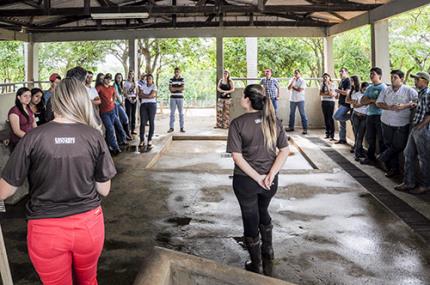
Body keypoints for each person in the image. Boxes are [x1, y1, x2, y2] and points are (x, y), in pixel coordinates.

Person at [0, 77, 116, 285]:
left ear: (55, 100)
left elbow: (4, 191)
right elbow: (104, 189)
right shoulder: (94, 136)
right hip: (88, 227)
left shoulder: (33, 137)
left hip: (46, 231)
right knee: (89, 281)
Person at [227, 84, 289, 275]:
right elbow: (285, 151)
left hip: (246, 181)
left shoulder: (237, 123)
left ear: (247, 100)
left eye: (242, 96)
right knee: (263, 209)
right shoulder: (274, 121)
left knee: (250, 217)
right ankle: (268, 250)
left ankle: (256, 263)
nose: (240, 99)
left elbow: (237, 157)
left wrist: (258, 177)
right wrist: (270, 176)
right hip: (270, 182)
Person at [376, 70, 418, 177]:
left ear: (402, 79)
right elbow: (378, 103)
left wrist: (404, 106)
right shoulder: (386, 89)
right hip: (386, 122)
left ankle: (382, 157)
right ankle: (394, 169)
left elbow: (416, 102)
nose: (392, 79)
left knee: (399, 146)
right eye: (391, 77)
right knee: (389, 144)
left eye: (395, 77)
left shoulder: (409, 90)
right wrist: (388, 107)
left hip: (401, 123)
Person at [394, 72, 430, 194]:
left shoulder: (427, 94)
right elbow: (422, 108)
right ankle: (409, 182)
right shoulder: (421, 94)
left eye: (417, 79)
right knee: (408, 154)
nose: (415, 82)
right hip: (416, 128)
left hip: (422, 129)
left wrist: (420, 126)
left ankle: (425, 185)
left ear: (424, 80)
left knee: (423, 158)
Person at [359, 67, 387, 165]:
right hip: (370, 114)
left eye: (373, 74)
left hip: (380, 115)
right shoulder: (370, 88)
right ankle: (370, 158)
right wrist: (372, 100)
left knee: (381, 138)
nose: (371, 76)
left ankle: (383, 161)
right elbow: (362, 101)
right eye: (370, 74)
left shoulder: (383, 87)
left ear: (379, 75)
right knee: (370, 138)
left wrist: (370, 100)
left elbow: (381, 103)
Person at [96, 73, 128, 155]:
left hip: (112, 111)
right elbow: (94, 94)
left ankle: (118, 141)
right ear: (104, 79)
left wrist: (113, 102)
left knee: (116, 127)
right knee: (110, 129)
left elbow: (115, 95)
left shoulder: (112, 88)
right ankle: (115, 147)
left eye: (110, 79)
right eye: (107, 78)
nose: (108, 80)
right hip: (104, 113)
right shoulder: (100, 87)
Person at [7, 87, 37, 152]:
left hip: (30, 139)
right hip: (19, 142)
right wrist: (31, 138)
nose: (28, 98)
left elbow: (34, 124)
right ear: (18, 97)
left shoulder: (29, 109)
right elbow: (17, 131)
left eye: (29, 96)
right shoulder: (14, 111)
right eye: (25, 96)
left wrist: (37, 136)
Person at [347, 81, 369, 161]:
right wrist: (366, 102)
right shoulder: (356, 94)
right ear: (361, 88)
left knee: (360, 135)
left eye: (367, 89)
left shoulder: (368, 95)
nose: (365, 91)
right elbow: (355, 105)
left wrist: (368, 102)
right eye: (364, 89)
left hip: (365, 116)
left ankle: (358, 152)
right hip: (356, 115)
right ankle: (358, 153)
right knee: (357, 135)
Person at [137, 74, 157, 150]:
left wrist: (144, 95)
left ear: (152, 79)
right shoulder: (143, 85)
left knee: (151, 121)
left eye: (150, 78)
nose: (148, 80)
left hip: (152, 105)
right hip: (143, 105)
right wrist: (147, 95)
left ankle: (149, 139)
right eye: (147, 78)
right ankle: (142, 140)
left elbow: (152, 95)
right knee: (142, 122)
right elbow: (139, 95)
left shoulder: (154, 86)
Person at [333, 68, 351, 144]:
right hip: (340, 102)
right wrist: (337, 95)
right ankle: (342, 139)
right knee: (341, 123)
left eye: (342, 71)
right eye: (340, 71)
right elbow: (341, 92)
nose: (340, 73)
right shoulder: (341, 81)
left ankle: (351, 116)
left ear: (346, 72)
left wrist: (337, 91)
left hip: (346, 104)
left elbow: (347, 93)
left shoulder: (348, 80)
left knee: (336, 116)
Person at [286, 69, 308, 134]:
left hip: (300, 100)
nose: (295, 74)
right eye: (294, 73)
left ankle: (305, 129)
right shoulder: (291, 80)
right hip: (292, 99)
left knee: (302, 114)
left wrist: (293, 87)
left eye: (297, 73)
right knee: (291, 114)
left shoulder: (302, 81)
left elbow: (300, 90)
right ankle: (291, 127)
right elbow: (288, 88)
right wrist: (292, 82)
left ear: (300, 74)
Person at [114, 73, 132, 140]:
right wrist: (122, 103)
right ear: (115, 78)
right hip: (117, 104)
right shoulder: (115, 85)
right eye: (118, 77)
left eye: (120, 78)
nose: (119, 79)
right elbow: (117, 96)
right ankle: (127, 134)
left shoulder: (120, 85)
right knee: (125, 118)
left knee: (123, 120)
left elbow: (123, 94)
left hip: (121, 103)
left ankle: (126, 135)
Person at [168, 67, 186, 133]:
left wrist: (174, 88)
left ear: (179, 72)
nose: (176, 73)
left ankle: (182, 127)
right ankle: (171, 127)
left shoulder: (182, 79)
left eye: (178, 72)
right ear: (174, 72)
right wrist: (178, 88)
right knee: (172, 113)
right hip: (172, 98)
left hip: (180, 98)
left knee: (181, 113)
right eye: (175, 72)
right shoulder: (171, 79)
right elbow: (170, 89)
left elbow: (183, 88)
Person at [319, 73, 336, 139]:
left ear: (329, 77)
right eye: (324, 77)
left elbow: (331, 94)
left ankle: (332, 134)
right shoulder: (322, 84)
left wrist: (327, 87)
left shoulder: (333, 84)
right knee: (326, 118)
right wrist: (328, 94)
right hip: (324, 102)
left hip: (331, 102)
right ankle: (327, 133)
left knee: (330, 118)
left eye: (326, 77)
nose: (325, 78)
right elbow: (320, 94)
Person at [124, 70, 137, 135]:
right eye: (130, 74)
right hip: (128, 99)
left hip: (134, 99)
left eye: (133, 74)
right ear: (128, 74)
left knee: (133, 115)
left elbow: (137, 91)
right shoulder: (126, 83)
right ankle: (128, 130)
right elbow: (125, 92)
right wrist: (129, 99)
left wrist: (135, 98)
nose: (131, 75)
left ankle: (133, 129)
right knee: (128, 115)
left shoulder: (135, 82)